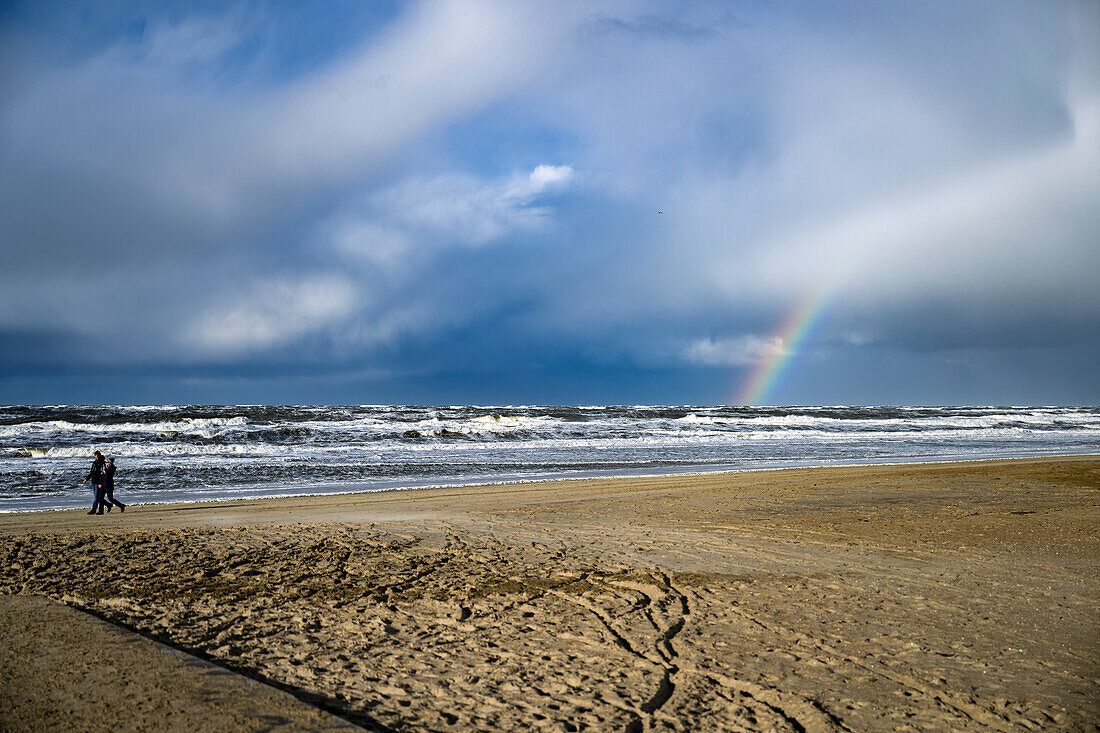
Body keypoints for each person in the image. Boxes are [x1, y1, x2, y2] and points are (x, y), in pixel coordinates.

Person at [83, 450, 105, 515]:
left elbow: (102, 474)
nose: (97, 456)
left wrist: (100, 483)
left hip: (99, 482)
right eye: (96, 455)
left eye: (98, 455)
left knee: (97, 497)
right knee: (97, 497)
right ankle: (101, 509)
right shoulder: (94, 463)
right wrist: (86, 479)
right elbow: (92, 472)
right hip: (94, 482)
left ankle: (94, 509)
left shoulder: (101, 463)